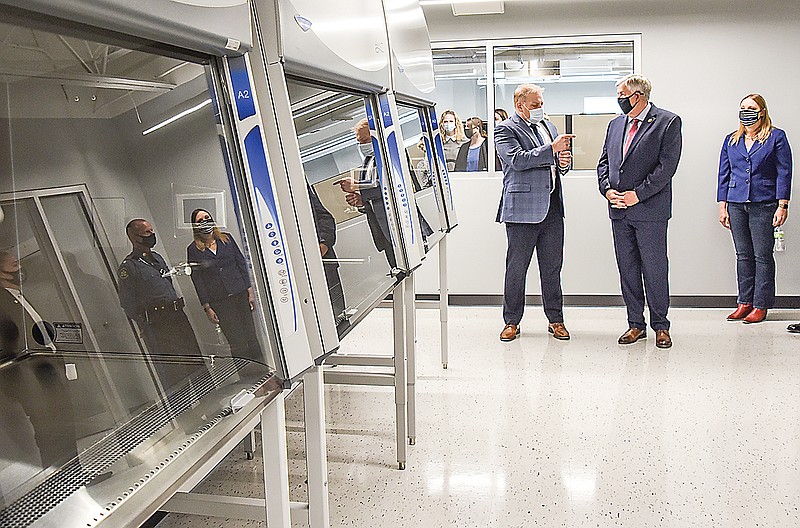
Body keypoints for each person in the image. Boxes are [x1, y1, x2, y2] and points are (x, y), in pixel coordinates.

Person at [597, 74, 682, 349]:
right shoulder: (615, 125)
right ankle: (635, 324)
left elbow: (666, 168)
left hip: (650, 210)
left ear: (638, 96)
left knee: (655, 269)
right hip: (619, 211)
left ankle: (661, 325)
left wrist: (638, 195)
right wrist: (607, 190)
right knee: (628, 269)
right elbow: (604, 163)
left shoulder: (667, 122)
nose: (619, 99)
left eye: (622, 94)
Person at [495, 84, 574, 342]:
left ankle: (556, 319)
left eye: (541, 103)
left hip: (551, 207)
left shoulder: (548, 127)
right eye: (535, 104)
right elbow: (517, 160)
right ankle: (511, 321)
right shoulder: (505, 129)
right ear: (520, 105)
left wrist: (563, 162)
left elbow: (556, 161)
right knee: (517, 268)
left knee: (552, 268)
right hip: (522, 211)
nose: (540, 108)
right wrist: (551, 150)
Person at [717, 94, 792, 325]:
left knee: (762, 256)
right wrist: (723, 205)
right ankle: (744, 302)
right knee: (743, 255)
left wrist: (782, 204)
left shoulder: (776, 137)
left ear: (762, 111)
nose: (746, 111)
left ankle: (761, 305)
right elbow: (723, 173)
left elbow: (784, 172)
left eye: (751, 107)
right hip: (736, 203)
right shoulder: (731, 140)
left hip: (765, 203)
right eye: (742, 107)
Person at [118, 219, 204, 387]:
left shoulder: (157, 258)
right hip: (158, 323)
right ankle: (184, 410)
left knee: (195, 361)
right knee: (174, 371)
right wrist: (143, 322)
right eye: (147, 233)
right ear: (134, 237)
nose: (152, 235)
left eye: (152, 230)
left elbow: (167, 284)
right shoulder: (129, 267)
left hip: (177, 316)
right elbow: (127, 302)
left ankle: (208, 404)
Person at [186, 209, 263, 361]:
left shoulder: (226, 239)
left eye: (207, 218)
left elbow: (241, 264)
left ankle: (264, 373)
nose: (204, 222)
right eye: (200, 220)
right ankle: (247, 378)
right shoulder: (193, 250)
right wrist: (207, 307)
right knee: (237, 342)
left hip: (239, 293)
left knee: (251, 336)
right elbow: (197, 280)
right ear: (195, 226)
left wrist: (250, 291)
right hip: (220, 301)